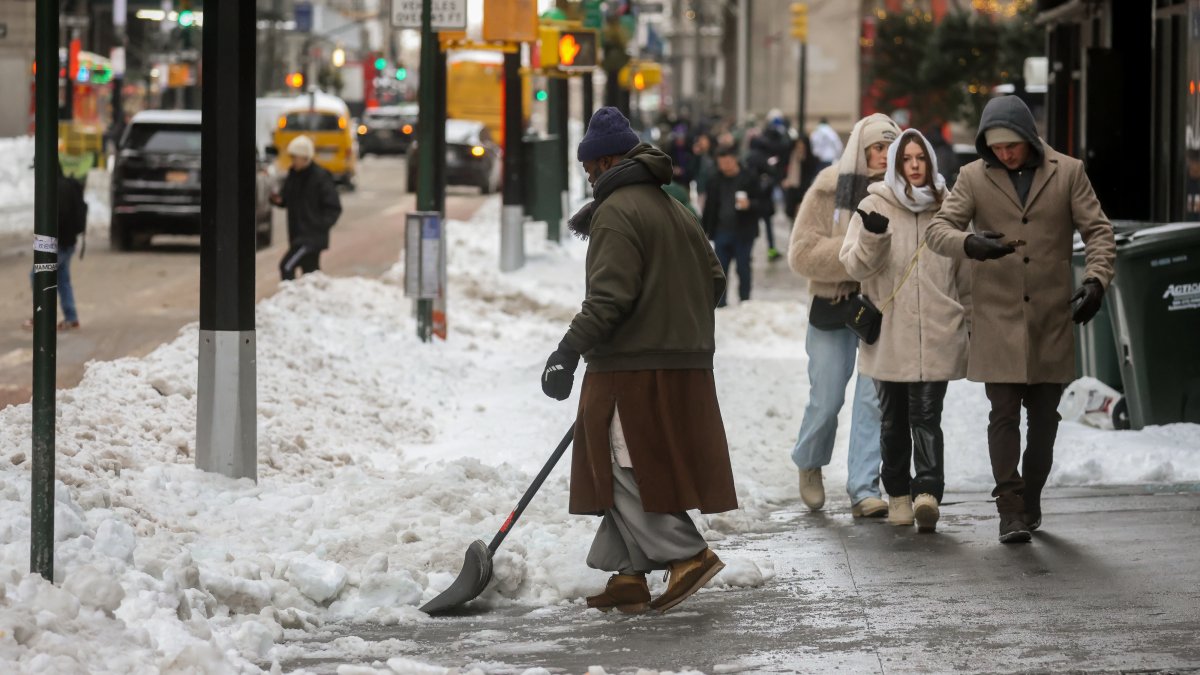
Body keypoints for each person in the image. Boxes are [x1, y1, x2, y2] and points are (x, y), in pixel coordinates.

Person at [541, 106, 736, 614]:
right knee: (623, 462)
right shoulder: (673, 207)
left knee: (623, 463)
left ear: (605, 161)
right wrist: (672, 312)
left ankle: (687, 554)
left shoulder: (618, 211)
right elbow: (714, 280)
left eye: (589, 167)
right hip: (676, 359)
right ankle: (628, 573)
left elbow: (609, 299)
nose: (587, 176)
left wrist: (566, 352)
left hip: (633, 365)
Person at [924, 95, 1116, 543]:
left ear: (1029, 138)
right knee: (1003, 415)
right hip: (997, 318)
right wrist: (971, 245)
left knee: (1045, 423)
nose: (1005, 154)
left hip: (1051, 318)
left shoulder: (1068, 172)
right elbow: (939, 229)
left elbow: (1098, 231)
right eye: (996, 147)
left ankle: (1031, 499)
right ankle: (1009, 508)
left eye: (1012, 145)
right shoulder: (973, 176)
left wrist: (1096, 281)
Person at [839, 129, 972, 532]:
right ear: (897, 165)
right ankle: (898, 493)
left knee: (927, 415)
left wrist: (965, 317)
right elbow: (854, 267)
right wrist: (873, 237)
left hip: (937, 328)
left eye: (921, 159)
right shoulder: (873, 203)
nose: (914, 166)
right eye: (906, 160)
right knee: (894, 419)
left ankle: (928, 493)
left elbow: (964, 272)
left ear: (930, 162)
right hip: (891, 333)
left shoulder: (948, 206)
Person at [787, 113, 900, 518]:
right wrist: (857, 252)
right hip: (835, 308)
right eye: (877, 148)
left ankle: (864, 487)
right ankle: (809, 460)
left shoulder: (903, 195)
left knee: (873, 400)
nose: (885, 157)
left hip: (881, 310)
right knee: (828, 398)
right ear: (861, 149)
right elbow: (800, 253)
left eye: (891, 147)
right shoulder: (828, 187)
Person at [24, 162, 87, 331]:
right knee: (62, 279)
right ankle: (71, 317)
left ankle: (42, 315)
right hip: (68, 243)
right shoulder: (66, 185)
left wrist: (47, 241)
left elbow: (58, 217)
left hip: (56, 244)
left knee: (39, 276)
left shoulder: (54, 189)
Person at [702, 146, 768, 306]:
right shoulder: (714, 180)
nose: (725, 166)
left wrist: (750, 204)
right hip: (721, 231)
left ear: (735, 160)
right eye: (721, 163)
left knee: (743, 267)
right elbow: (709, 208)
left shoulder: (749, 178)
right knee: (720, 270)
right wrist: (704, 230)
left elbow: (764, 205)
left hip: (744, 232)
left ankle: (744, 300)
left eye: (728, 162)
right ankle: (720, 302)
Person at [270, 135, 342, 281]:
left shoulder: (320, 177)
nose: (293, 161)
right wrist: (278, 200)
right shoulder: (293, 175)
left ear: (305, 157)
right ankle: (312, 301)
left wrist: (319, 225)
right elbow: (287, 199)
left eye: (295, 157)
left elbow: (333, 207)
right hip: (297, 234)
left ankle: (290, 298)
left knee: (287, 266)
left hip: (310, 237)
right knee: (310, 273)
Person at [781, 134, 826, 220]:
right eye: (798, 145)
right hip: (792, 189)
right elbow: (784, 169)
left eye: (802, 145)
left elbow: (811, 174)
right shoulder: (791, 155)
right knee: (791, 216)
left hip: (804, 190)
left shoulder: (810, 159)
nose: (800, 147)